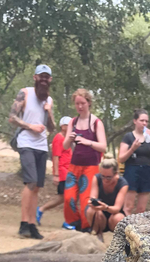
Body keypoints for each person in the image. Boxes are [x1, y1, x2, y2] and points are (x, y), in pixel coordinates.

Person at [9, 64, 55, 239]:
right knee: (31, 181)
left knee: (37, 186)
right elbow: (12, 117)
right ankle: (23, 224)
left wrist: (49, 113)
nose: (43, 80)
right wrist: (30, 126)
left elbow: (52, 127)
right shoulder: (25, 93)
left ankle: (32, 225)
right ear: (35, 77)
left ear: (49, 80)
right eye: (41, 76)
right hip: (26, 142)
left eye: (47, 77)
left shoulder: (49, 100)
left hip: (42, 145)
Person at [63, 89, 106, 231]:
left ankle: (86, 226)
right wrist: (69, 139)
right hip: (74, 166)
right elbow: (65, 145)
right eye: (77, 104)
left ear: (89, 103)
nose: (80, 106)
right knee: (69, 198)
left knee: (86, 200)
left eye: (82, 103)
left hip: (91, 167)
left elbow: (103, 147)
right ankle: (74, 223)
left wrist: (88, 142)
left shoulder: (96, 122)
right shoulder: (72, 122)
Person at [119, 110, 150, 215]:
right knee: (128, 207)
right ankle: (125, 229)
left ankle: (137, 230)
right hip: (132, 171)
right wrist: (132, 149)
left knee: (141, 209)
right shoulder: (128, 137)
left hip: (146, 171)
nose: (144, 123)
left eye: (146, 121)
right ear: (135, 121)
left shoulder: (149, 137)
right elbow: (121, 158)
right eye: (142, 120)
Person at [35, 116, 71, 225]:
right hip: (62, 171)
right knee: (66, 197)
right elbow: (55, 156)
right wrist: (56, 175)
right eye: (69, 125)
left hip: (69, 171)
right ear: (63, 126)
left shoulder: (67, 138)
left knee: (65, 197)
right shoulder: (58, 138)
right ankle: (68, 221)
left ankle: (41, 210)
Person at [85, 158, 128, 237]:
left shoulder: (123, 184)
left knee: (118, 218)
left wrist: (106, 207)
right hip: (100, 214)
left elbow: (117, 208)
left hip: (114, 214)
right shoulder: (97, 178)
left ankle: (116, 238)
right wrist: (93, 202)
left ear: (116, 174)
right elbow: (93, 197)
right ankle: (96, 232)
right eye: (103, 176)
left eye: (108, 177)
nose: (105, 180)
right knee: (91, 210)